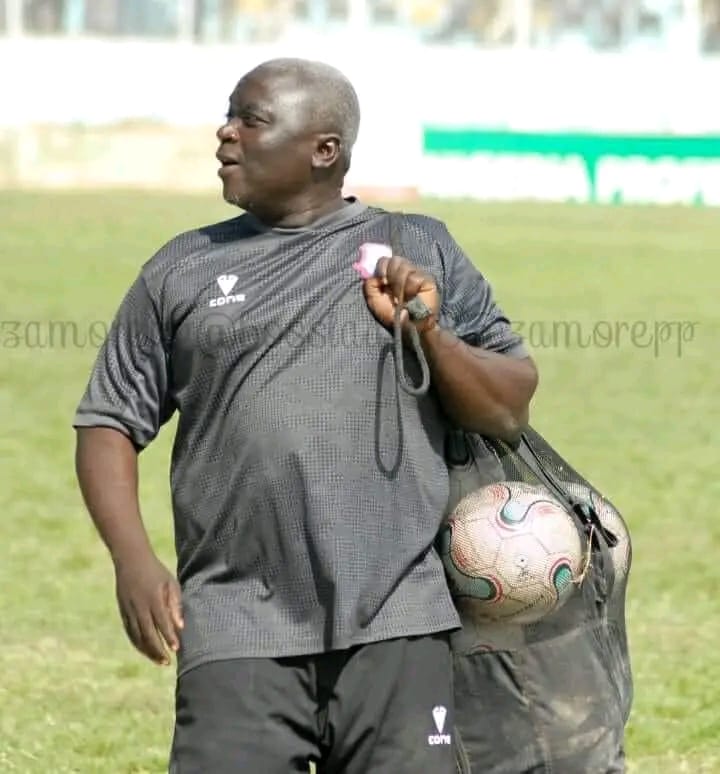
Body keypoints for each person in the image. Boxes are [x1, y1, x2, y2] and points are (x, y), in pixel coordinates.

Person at [73, 57, 538, 773]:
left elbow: (507, 406)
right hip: (235, 622)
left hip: (399, 621)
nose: (224, 134)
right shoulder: (182, 268)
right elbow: (109, 419)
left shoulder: (418, 248)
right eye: (228, 116)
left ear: (325, 150)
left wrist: (426, 332)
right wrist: (132, 561)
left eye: (251, 120)